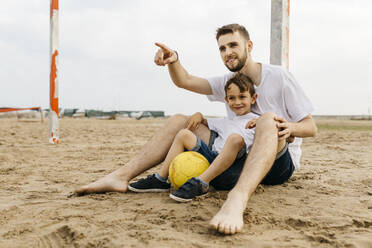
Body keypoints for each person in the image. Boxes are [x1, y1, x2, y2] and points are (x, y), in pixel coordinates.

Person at [75, 23, 317, 235]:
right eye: (222, 48)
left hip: (275, 163)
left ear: (249, 46)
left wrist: (289, 126)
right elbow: (185, 80)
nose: (228, 53)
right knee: (182, 120)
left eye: (233, 45)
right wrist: (174, 60)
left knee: (268, 119)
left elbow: (311, 127)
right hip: (237, 157)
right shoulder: (227, 82)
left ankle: (237, 200)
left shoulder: (279, 77)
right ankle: (121, 177)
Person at [129, 74, 281, 203]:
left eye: (242, 97)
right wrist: (198, 114)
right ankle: (160, 179)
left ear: (253, 98)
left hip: (235, 169)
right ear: (227, 100)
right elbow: (204, 121)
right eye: (232, 98)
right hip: (213, 161)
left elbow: (275, 136)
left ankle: (200, 184)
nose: (237, 102)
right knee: (184, 134)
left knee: (235, 139)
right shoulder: (225, 121)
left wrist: (262, 121)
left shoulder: (259, 121)